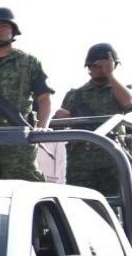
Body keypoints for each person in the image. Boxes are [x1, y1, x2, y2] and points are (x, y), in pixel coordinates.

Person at [0, 7, 53, 181]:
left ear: (13, 31)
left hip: (18, 139)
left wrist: (41, 128)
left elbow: (44, 98)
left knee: (25, 189)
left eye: (3, 25)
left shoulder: (28, 63)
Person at [55, 43, 132, 196]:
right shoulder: (75, 95)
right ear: (89, 67)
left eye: (106, 65)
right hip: (81, 165)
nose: (101, 69)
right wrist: (60, 117)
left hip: (111, 160)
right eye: (98, 65)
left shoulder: (119, 90)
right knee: (82, 207)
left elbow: (128, 102)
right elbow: (58, 128)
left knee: (115, 207)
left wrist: (110, 74)